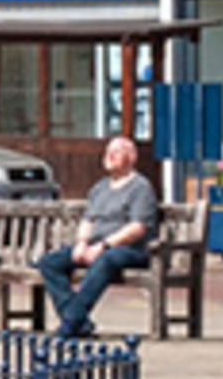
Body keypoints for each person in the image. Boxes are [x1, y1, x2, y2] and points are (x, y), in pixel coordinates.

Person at [32, 135, 159, 342]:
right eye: (108, 152)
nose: (109, 156)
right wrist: (82, 244)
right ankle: (80, 321)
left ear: (131, 157)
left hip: (130, 249)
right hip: (94, 246)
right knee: (49, 263)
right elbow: (88, 220)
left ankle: (71, 322)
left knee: (107, 260)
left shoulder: (141, 188)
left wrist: (104, 245)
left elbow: (137, 228)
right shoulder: (100, 188)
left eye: (116, 152)